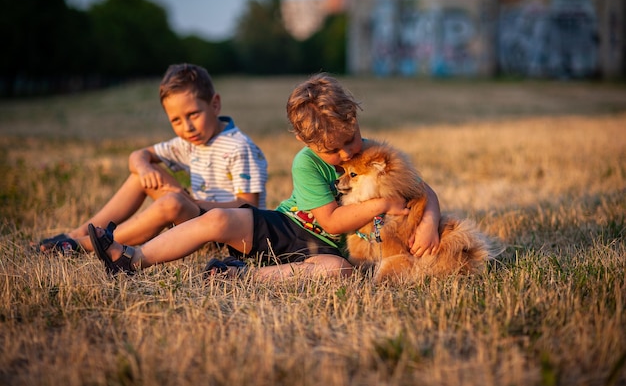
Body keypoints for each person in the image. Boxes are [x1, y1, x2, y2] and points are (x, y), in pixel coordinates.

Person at [88, 73, 441, 280]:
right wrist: (381, 203)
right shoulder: (306, 163)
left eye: (351, 138)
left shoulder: (372, 155)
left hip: (327, 252)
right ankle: (132, 258)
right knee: (219, 220)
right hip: (286, 227)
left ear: (355, 118)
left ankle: (241, 276)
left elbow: (422, 190)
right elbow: (331, 222)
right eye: (333, 150)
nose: (347, 153)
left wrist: (428, 223)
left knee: (336, 272)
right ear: (306, 142)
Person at [38, 63, 268, 255]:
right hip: (198, 219)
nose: (187, 127)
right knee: (142, 174)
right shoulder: (190, 142)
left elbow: (247, 206)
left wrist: (191, 203)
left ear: (215, 104)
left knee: (174, 203)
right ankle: (80, 233)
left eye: (193, 115)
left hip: (227, 234)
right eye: (176, 120)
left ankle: (88, 245)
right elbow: (138, 156)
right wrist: (145, 168)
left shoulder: (239, 147)